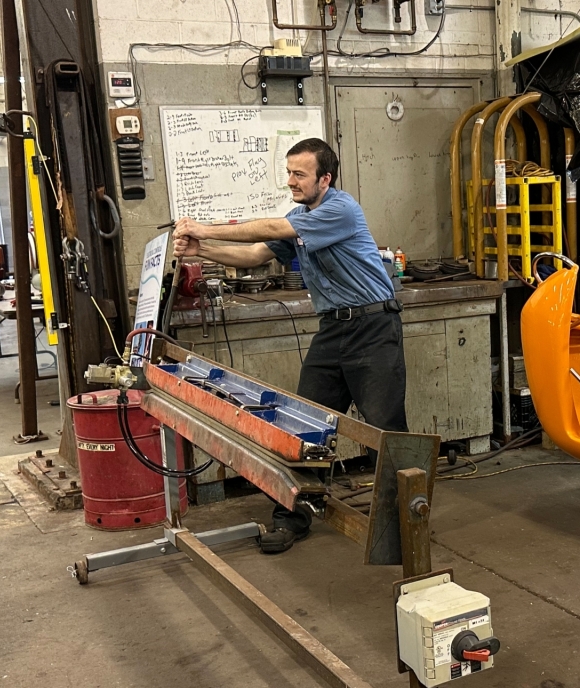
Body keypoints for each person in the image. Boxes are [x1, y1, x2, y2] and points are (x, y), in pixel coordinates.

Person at [173, 138, 407, 553]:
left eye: (299, 174)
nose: (291, 182)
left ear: (325, 178)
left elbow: (272, 229)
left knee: (384, 429)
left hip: (373, 326)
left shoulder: (340, 209)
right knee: (300, 425)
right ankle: (290, 517)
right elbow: (256, 255)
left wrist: (203, 228)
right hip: (333, 330)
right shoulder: (301, 215)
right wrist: (201, 249)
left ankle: (404, 520)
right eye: (289, 173)